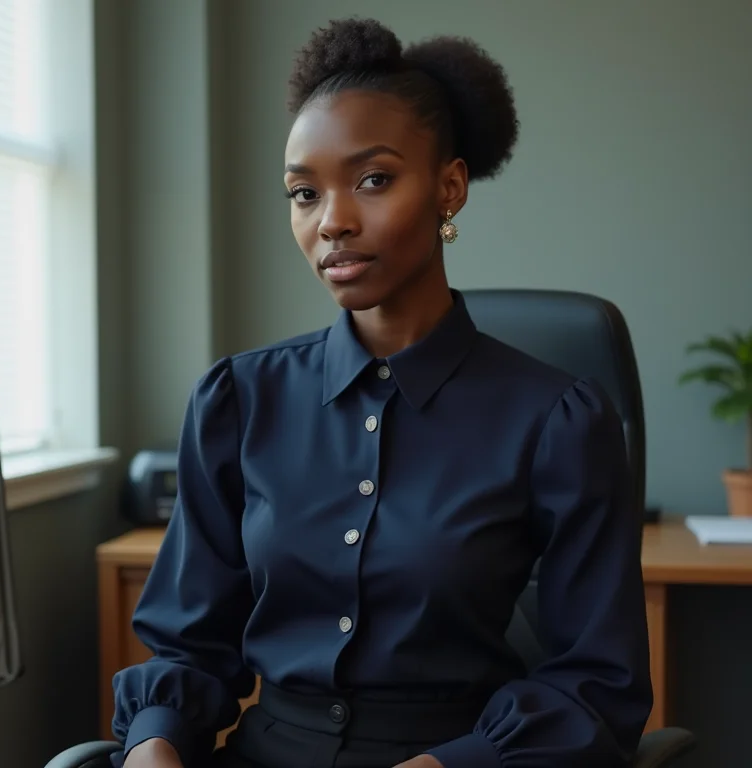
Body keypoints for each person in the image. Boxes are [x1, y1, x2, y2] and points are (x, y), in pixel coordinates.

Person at [111, 17, 652, 768]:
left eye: (373, 180)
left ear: (449, 188)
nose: (332, 220)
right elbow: (189, 645)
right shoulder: (237, 400)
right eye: (304, 193)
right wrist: (153, 749)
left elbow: (597, 685)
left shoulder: (558, 420)